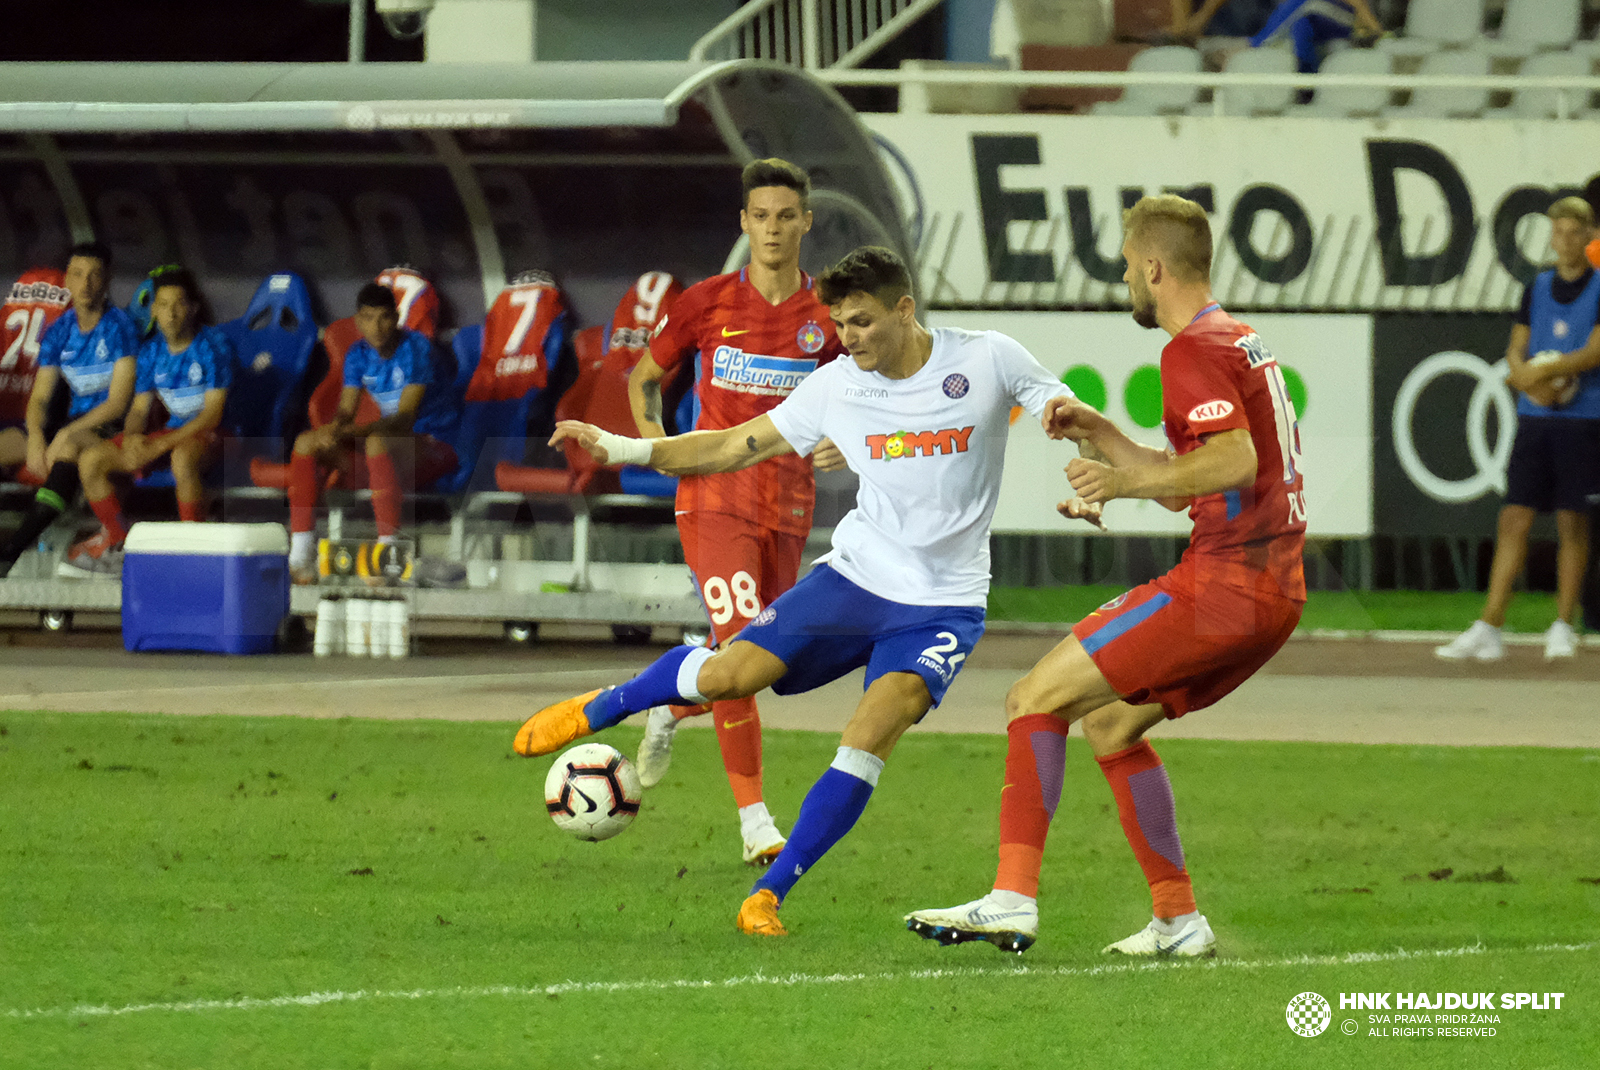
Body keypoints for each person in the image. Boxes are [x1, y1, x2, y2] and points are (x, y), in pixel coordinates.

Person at [515, 245, 1097, 937]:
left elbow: (1068, 414)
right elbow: (731, 446)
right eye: (840, 325)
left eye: (861, 322)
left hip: (945, 605)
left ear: (904, 309)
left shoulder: (987, 358)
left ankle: (767, 894)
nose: (847, 339)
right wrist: (624, 449)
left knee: (868, 736)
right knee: (731, 675)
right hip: (854, 580)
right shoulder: (837, 385)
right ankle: (609, 703)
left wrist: (1090, 472)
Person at [906, 194, 1307, 957]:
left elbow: (1233, 461)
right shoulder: (1239, 340)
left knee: (1032, 698)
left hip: (1227, 583)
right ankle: (1178, 920)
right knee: (1112, 723)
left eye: (1127, 264)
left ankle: (1012, 898)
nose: (1125, 277)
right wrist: (1103, 434)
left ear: (1153, 267)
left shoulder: (1190, 350)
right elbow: (1192, 483)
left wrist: (1116, 486)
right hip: (1271, 591)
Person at [624, 157, 848, 867]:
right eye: (762, 215)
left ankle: (672, 698)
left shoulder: (828, 316)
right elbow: (643, 378)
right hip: (714, 501)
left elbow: (866, 394)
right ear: (744, 222)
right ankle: (756, 822)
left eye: (787, 215)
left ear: (806, 222)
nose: (774, 228)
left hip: (788, 507)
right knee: (742, 642)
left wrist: (844, 438)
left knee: (765, 666)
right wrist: (661, 447)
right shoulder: (706, 303)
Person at [1436, 197, 1600, 663]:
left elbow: (1593, 351)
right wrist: (1524, 374)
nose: (1563, 240)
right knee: (1514, 517)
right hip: (1536, 418)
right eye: (1557, 230)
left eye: (1573, 231)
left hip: (1583, 417)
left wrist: (1545, 374)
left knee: (1572, 521)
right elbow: (1516, 347)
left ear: (1589, 235)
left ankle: (1564, 623)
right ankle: (1490, 624)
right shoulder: (1538, 287)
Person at [57, 266, 235, 578]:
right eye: (163, 305)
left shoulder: (213, 346)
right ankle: (118, 542)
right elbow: (139, 409)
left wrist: (163, 443)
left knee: (182, 459)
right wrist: (133, 437)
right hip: (168, 434)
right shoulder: (151, 351)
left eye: (178, 304)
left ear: (192, 308)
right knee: (92, 460)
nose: (171, 314)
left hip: (210, 434)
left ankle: (195, 547)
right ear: (153, 309)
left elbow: (212, 414)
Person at [285, 282, 459, 585]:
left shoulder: (416, 349)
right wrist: (334, 430)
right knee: (305, 442)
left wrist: (355, 432)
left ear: (395, 318)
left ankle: (388, 553)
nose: (376, 327)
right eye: (367, 318)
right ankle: (301, 552)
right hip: (391, 448)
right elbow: (345, 410)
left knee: (376, 442)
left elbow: (405, 418)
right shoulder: (357, 353)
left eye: (383, 318)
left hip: (435, 444)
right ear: (358, 321)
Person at [0, 242, 140, 579]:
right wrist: (35, 436)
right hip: (70, 423)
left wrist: (65, 432)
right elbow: (40, 397)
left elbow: (118, 403)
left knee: (69, 445)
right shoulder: (60, 330)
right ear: (67, 281)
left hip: (112, 425)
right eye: (77, 275)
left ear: (107, 281)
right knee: (8, 444)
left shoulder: (121, 327)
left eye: (94, 276)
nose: (86, 284)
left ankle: (9, 555)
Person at [1247, 0, 1384, 73]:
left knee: (1305, 3)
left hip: (1357, 21)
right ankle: (1306, 80)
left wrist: (1372, 28)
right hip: (1328, 15)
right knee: (1302, 24)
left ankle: (1256, 44)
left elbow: (1360, 5)